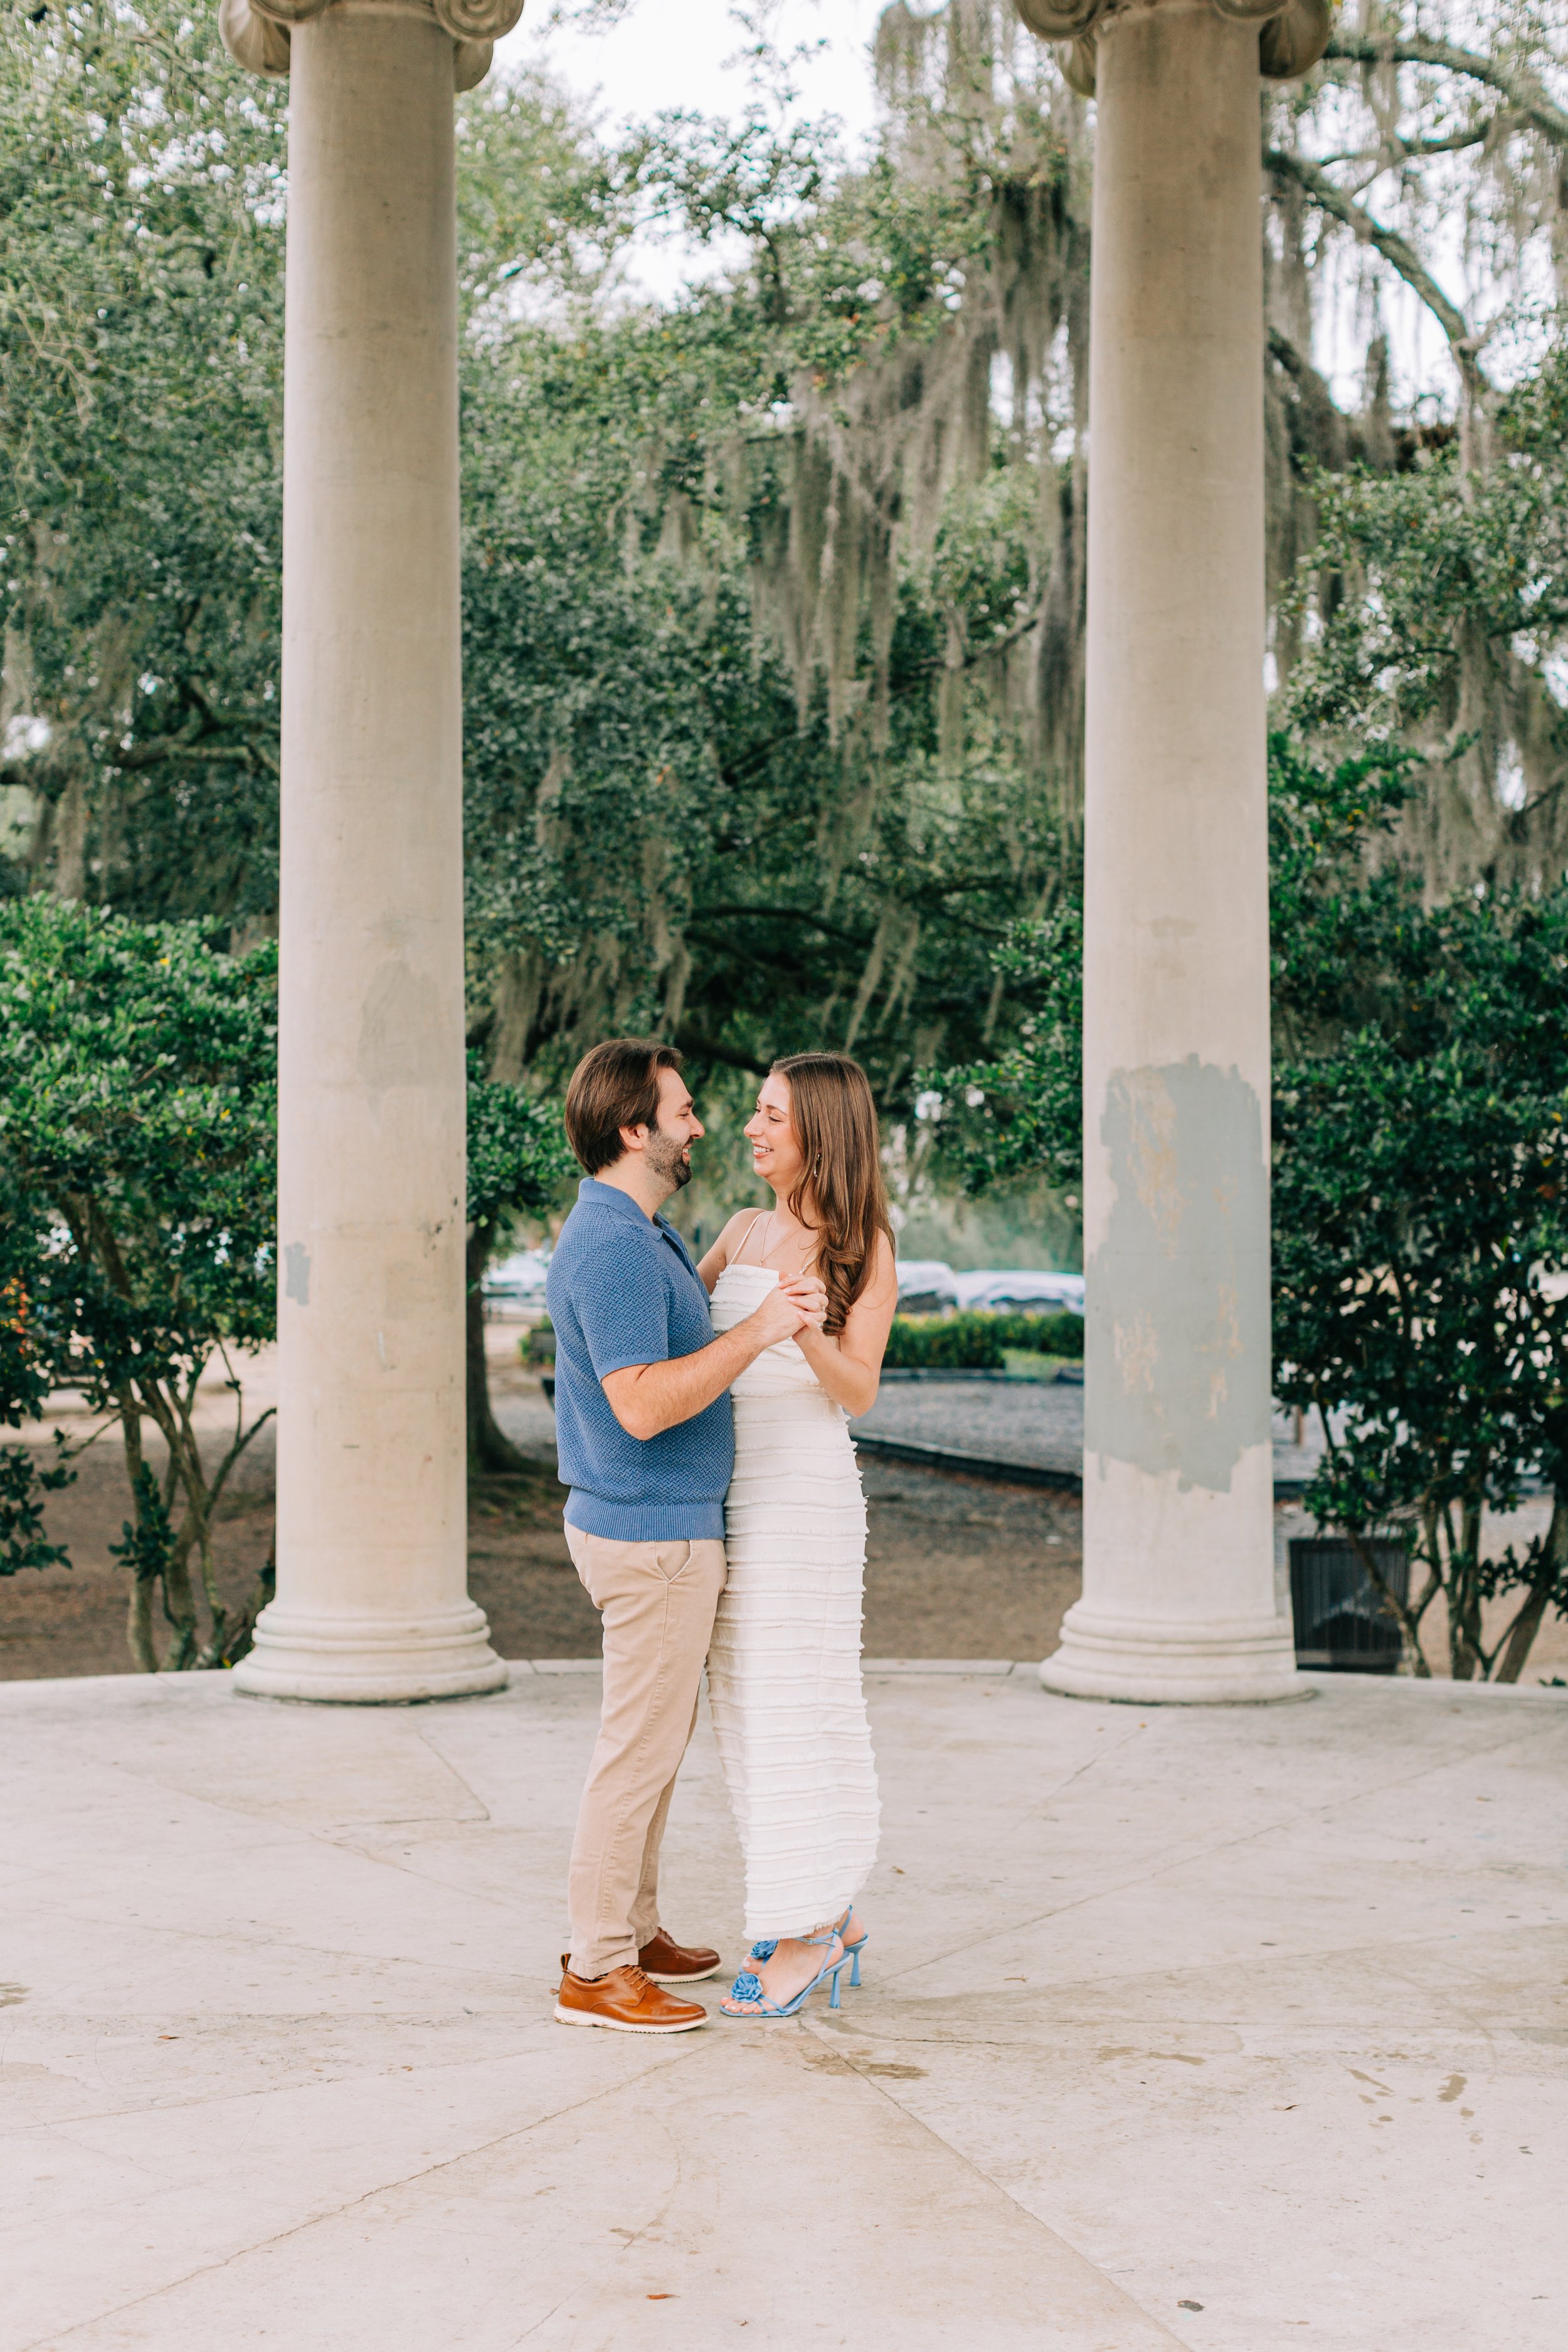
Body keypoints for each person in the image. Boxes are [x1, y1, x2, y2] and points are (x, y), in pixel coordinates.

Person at [548, 1038, 827, 2035]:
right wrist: (759, 1333)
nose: (701, 1125)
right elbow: (639, 1405)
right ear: (635, 1130)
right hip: (651, 1538)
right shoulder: (616, 1246)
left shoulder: (639, 1229)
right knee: (636, 1754)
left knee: (653, 1750)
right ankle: (596, 1969)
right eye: (683, 1110)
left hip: (656, 1526)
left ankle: (632, 1927)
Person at [697, 1052, 898, 2018]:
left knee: (794, 1703)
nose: (752, 1127)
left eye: (772, 1115)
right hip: (732, 1493)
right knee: (743, 1700)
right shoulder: (741, 1230)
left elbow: (859, 1390)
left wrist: (805, 1332)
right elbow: (685, 1333)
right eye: (756, 1111)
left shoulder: (864, 1247)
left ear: (821, 1130)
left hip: (804, 1498)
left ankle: (807, 1929)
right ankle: (824, 1905)